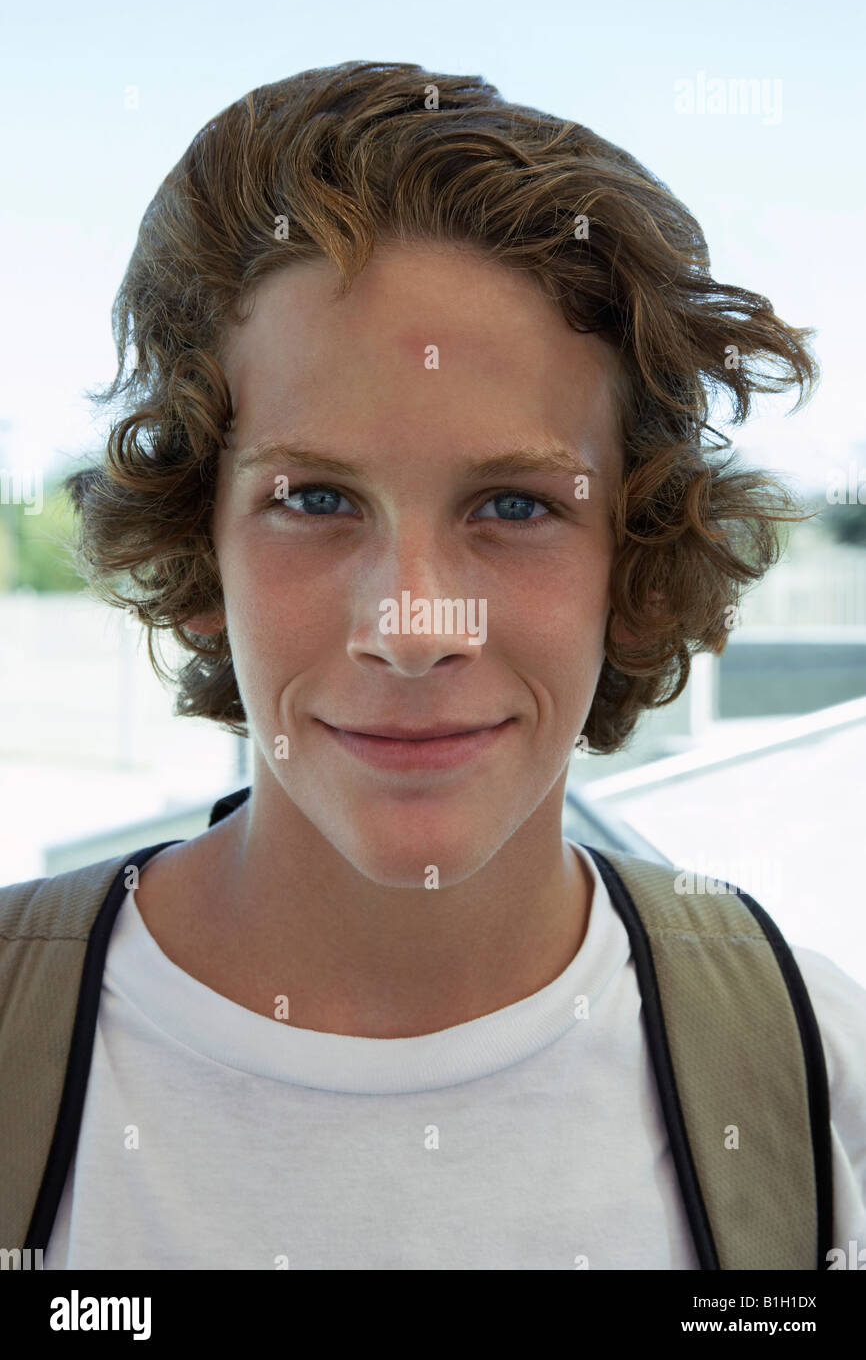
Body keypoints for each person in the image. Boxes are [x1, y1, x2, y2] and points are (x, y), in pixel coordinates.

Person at [8, 61, 866, 1270]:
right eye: (313, 497)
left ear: (634, 559)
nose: (412, 622)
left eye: (512, 503)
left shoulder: (808, 1069)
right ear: (198, 546)